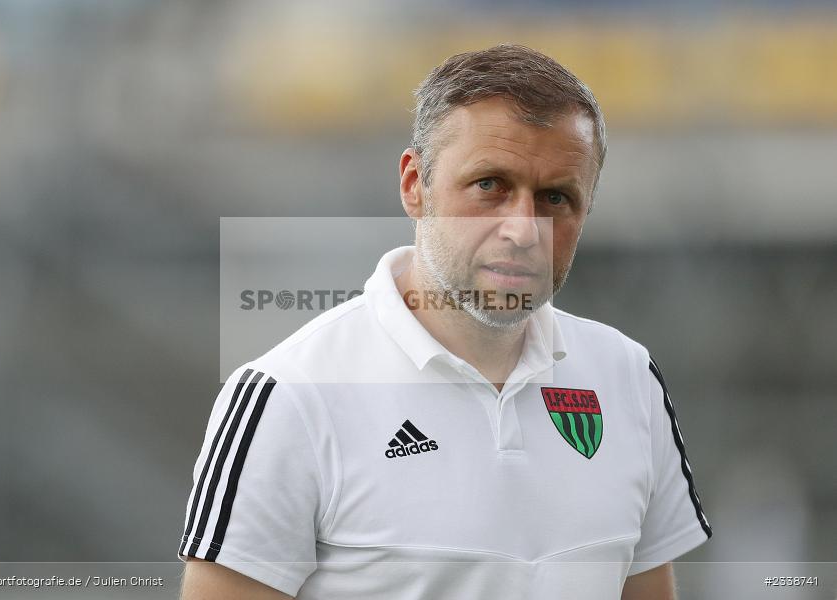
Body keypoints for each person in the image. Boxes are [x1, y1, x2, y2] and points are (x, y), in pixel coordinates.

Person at [178, 44, 712, 600]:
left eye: (556, 197)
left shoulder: (627, 375)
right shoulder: (288, 395)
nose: (523, 229)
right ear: (415, 185)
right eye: (490, 185)